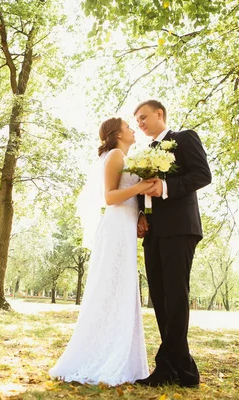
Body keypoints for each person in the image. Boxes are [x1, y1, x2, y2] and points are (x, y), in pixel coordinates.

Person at [49, 117, 153, 386]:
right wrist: (143, 185)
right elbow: (110, 198)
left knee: (121, 288)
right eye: (129, 126)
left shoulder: (122, 155)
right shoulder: (116, 154)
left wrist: (141, 211)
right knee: (111, 288)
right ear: (116, 134)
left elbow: (127, 197)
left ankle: (117, 352)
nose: (133, 129)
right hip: (116, 227)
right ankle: (102, 356)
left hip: (127, 226)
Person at [134, 99, 212, 388]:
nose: (140, 123)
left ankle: (166, 366)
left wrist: (166, 187)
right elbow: (144, 189)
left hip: (180, 228)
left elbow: (203, 175)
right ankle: (184, 371)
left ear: (160, 114)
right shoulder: (144, 153)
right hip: (154, 232)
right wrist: (141, 213)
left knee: (176, 296)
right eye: (137, 120)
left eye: (143, 117)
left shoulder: (183, 138)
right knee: (160, 296)